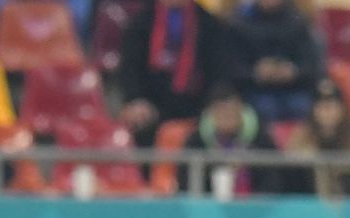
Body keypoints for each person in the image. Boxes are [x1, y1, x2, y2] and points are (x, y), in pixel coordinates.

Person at [116, 0, 230, 150]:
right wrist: (136, 98)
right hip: (151, 104)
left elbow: (218, 70)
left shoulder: (209, 24)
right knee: (139, 126)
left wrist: (212, 105)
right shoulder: (141, 21)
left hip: (196, 104)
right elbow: (130, 65)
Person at [226, 0, 319, 123]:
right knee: (265, 107)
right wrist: (255, 73)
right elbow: (231, 66)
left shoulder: (298, 22)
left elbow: (311, 64)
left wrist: (293, 71)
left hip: (294, 89)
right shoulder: (239, 24)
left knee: (302, 106)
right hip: (254, 89)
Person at [181, 83, 283, 195]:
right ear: (211, 113)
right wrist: (218, 166)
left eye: (232, 110)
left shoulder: (261, 139)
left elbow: (275, 180)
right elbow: (185, 183)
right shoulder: (196, 141)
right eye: (221, 111)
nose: (227, 116)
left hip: (256, 202)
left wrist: (248, 164)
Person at [285, 78, 350, 197]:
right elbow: (291, 175)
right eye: (322, 107)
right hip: (308, 200)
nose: (328, 112)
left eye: (333, 106)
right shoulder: (301, 137)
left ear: (342, 109)